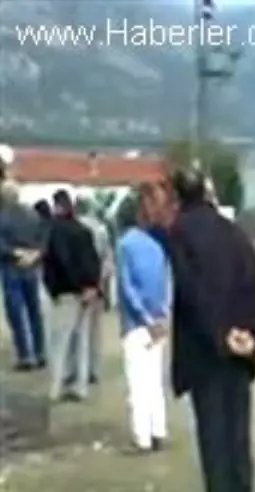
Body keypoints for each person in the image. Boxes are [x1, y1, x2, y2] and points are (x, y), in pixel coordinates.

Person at [166, 168, 255, 492]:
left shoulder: (179, 233)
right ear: (208, 191)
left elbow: (192, 294)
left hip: (206, 351)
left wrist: (220, 334)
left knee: (214, 436)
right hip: (239, 349)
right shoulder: (233, 232)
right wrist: (251, 331)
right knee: (237, 433)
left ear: (178, 197)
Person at [116, 183, 172, 454]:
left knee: (137, 383)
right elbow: (167, 281)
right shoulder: (158, 247)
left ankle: (142, 437)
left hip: (135, 323)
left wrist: (145, 317)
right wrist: (163, 313)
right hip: (160, 320)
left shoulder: (125, 245)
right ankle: (159, 430)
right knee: (155, 381)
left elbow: (126, 287)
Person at [43, 188, 102, 402]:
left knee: (60, 342)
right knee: (82, 340)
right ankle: (81, 386)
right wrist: (92, 286)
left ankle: (56, 386)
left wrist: (53, 289)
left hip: (66, 292)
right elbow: (94, 261)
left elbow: (55, 262)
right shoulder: (84, 231)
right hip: (86, 293)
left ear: (57, 206)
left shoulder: (55, 232)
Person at [0, 180, 47, 370]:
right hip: (31, 267)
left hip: (11, 266)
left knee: (16, 312)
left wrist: (14, 253)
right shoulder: (32, 214)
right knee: (34, 310)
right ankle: (40, 351)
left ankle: (25, 355)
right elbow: (43, 236)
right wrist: (35, 253)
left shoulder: (2, 216)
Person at [69, 196, 115, 387]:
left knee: (75, 331)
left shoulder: (71, 229)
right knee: (94, 331)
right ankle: (93, 369)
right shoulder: (101, 230)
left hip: (75, 286)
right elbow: (107, 261)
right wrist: (102, 285)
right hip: (96, 286)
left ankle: (75, 369)